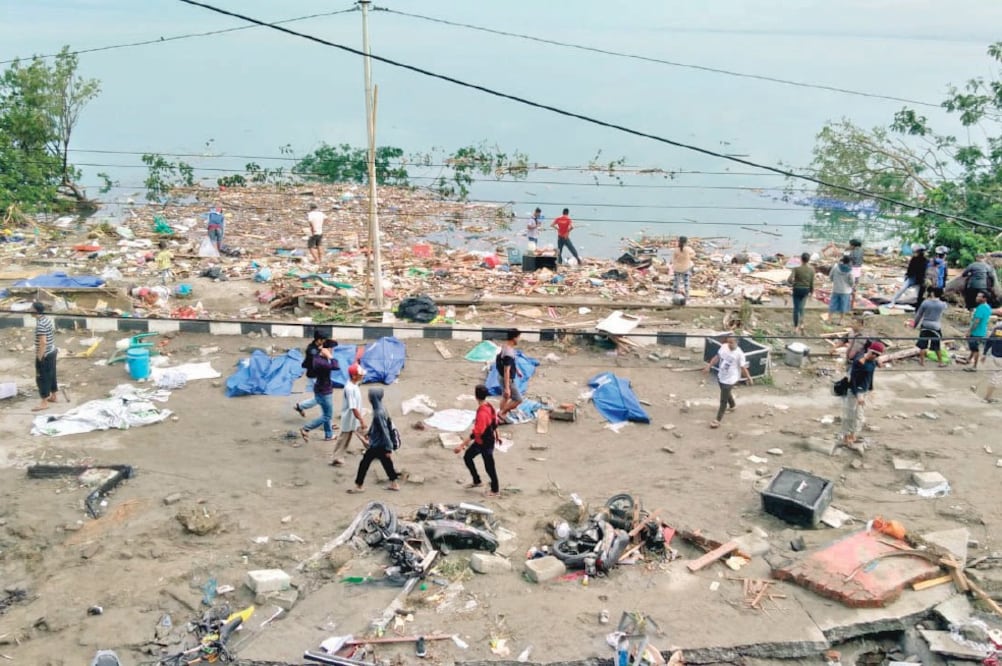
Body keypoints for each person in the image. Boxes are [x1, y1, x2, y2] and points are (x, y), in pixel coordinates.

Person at [348, 388, 401, 493]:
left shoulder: (378, 412)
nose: (368, 397)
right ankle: (394, 484)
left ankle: (359, 485)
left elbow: (384, 430)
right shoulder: (381, 408)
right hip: (379, 443)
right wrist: (369, 433)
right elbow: (376, 425)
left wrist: (388, 448)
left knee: (364, 463)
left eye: (369, 395)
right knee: (386, 463)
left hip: (379, 444)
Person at [453, 384, 501, 498]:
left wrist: (461, 445)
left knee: (489, 466)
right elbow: (494, 422)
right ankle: (477, 480)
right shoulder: (489, 406)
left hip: (485, 442)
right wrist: (497, 435)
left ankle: (495, 490)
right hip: (485, 440)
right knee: (468, 457)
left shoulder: (482, 413)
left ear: (476, 396)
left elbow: (476, 433)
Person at [702, 333, 753, 429]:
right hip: (721, 376)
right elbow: (717, 357)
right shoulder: (724, 347)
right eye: (728, 342)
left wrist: (749, 377)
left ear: (737, 342)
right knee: (725, 392)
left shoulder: (739, 354)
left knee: (723, 400)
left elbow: (743, 368)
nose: (729, 344)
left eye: (731, 343)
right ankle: (733, 405)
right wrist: (709, 366)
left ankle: (717, 420)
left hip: (731, 379)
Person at [841, 341, 885, 448]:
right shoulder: (859, 361)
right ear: (869, 350)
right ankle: (846, 436)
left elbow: (870, 376)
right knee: (850, 415)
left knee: (859, 415)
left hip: (864, 391)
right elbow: (853, 380)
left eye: (877, 355)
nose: (874, 356)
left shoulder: (873, 361)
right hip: (855, 391)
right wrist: (857, 395)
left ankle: (853, 434)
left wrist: (870, 388)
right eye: (873, 353)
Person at [298, 340, 338, 444]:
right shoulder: (322, 362)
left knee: (325, 412)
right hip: (324, 391)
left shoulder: (318, 358)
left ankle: (329, 435)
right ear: (327, 349)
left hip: (321, 388)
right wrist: (330, 356)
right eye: (331, 349)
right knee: (327, 416)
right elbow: (335, 366)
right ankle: (306, 428)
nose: (332, 351)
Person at [329, 364, 367, 466]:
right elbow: (353, 407)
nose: (362, 376)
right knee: (346, 437)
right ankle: (336, 457)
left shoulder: (354, 385)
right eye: (360, 374)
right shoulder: (350, 389)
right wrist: (361, 419)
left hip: (355, 417)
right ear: (354, 376)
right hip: (351, 417)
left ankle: (373, 450)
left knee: (362, 434)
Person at [295, 330, 332, 417]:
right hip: (315, 376)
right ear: (319, 340)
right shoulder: (312, 350)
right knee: (323, 398)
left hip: (320, 376)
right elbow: (319, 357)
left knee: (320, 398)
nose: (325, 341)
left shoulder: (319, 346)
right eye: (324, 339)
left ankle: (300, 406)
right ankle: (326, 420)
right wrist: (326, 353)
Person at [32, 301, 58, 412]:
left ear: (35, 311)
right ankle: (54, 396)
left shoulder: (40, 324)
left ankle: (44, 402)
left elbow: (43, 342)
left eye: (30, 309)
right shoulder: (46, 319)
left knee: (42, 378)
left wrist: (39, 357)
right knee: (51, 375)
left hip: (45, 355)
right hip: (52, 351)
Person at [912, 286, 948, 367]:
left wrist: (915, 325)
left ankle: (922, 362)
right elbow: (946, 305)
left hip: (925, 325)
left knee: (923, 345)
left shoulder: (925, 303)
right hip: (936, 326)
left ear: (932, 293)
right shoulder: (942, 305)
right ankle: (940, 362)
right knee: (936, 346)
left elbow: (919, 315)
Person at [496, 328, 524, 422]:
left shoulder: (506, 346)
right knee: (518, 399)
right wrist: (507, 387)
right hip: (506, 378)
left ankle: (501, 415)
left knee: (505, 396)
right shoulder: (508, 352)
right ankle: (502, 412)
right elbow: (506, 370)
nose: (519, 340)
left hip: (501, 376)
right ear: (514, 338)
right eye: (518, 337)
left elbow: (510, 363)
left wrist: (517, 370)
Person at [888, 244, 927, 308]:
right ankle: (892, 302)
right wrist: (907, 275)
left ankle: (918, 307)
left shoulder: (924, 260)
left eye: (915, 252)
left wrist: (923, 280)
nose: (914, 253)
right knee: (901, 289)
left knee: (919, 295)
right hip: (912, 278)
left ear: (919, 252)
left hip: (919, 280)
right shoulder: (914, 259)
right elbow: (910, 268)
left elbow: (924, 271)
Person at [787, 252, 815, 335]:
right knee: (802, 307)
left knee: (796, 308)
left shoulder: (796, 268)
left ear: (801, 259)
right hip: (806, 290)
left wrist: (793, 283)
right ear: (808, 260)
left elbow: (789, 279)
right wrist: (811, 292)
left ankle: (796, 327)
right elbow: (812, 283)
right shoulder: (812, 269)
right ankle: (802, 324)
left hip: (797, 289)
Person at [966, 291, 992, 372]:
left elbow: (976, 321)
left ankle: (974, 366)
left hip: (976, 332)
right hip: (982, 331)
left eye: (979, 296)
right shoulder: (988, 307)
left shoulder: (981, 308)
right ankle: (969, 359)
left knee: (975, 349)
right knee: (974, 347)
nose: (977, 297)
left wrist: (969, 331)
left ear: (984, 298)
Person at [829, 254, 855, 326]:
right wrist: (851, 286)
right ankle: (841, 321)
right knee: (844, 306)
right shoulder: (850, 271)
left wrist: (835, 281)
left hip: (836, 289)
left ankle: (829, 319)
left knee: (833, 304)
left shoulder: (835, 267)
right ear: (849, 262)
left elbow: (830, 276)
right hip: (845, 291)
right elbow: (852, 282)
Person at [981, 319, 1002, 403]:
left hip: (994, 355)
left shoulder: (998, 328)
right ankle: (987, 398)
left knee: (993, 376)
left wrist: (984, 353)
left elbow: (989, 341)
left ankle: (988, 397)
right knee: (996, 378)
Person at [672, 236, 697, 302]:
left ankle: (675, 295)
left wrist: (675, 265)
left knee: (676, 282)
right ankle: (687, 296)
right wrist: (688, 257)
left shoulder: (676, 249)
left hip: (677, 268)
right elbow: (694, 254)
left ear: (679, 241)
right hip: (685, 268)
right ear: (686, 242)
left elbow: (674, 259)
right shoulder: (688, 249)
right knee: (686, 282)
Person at [847, 239, 864, 309]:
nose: (849, 246)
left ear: (853, 245)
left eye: (850, 245)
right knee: (854, 287)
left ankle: (848, 303)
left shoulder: (853, 252)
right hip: (858, 270)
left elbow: (850, 261)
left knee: (849, 286)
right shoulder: (861, 251)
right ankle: (852, 303)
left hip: (852, 270)